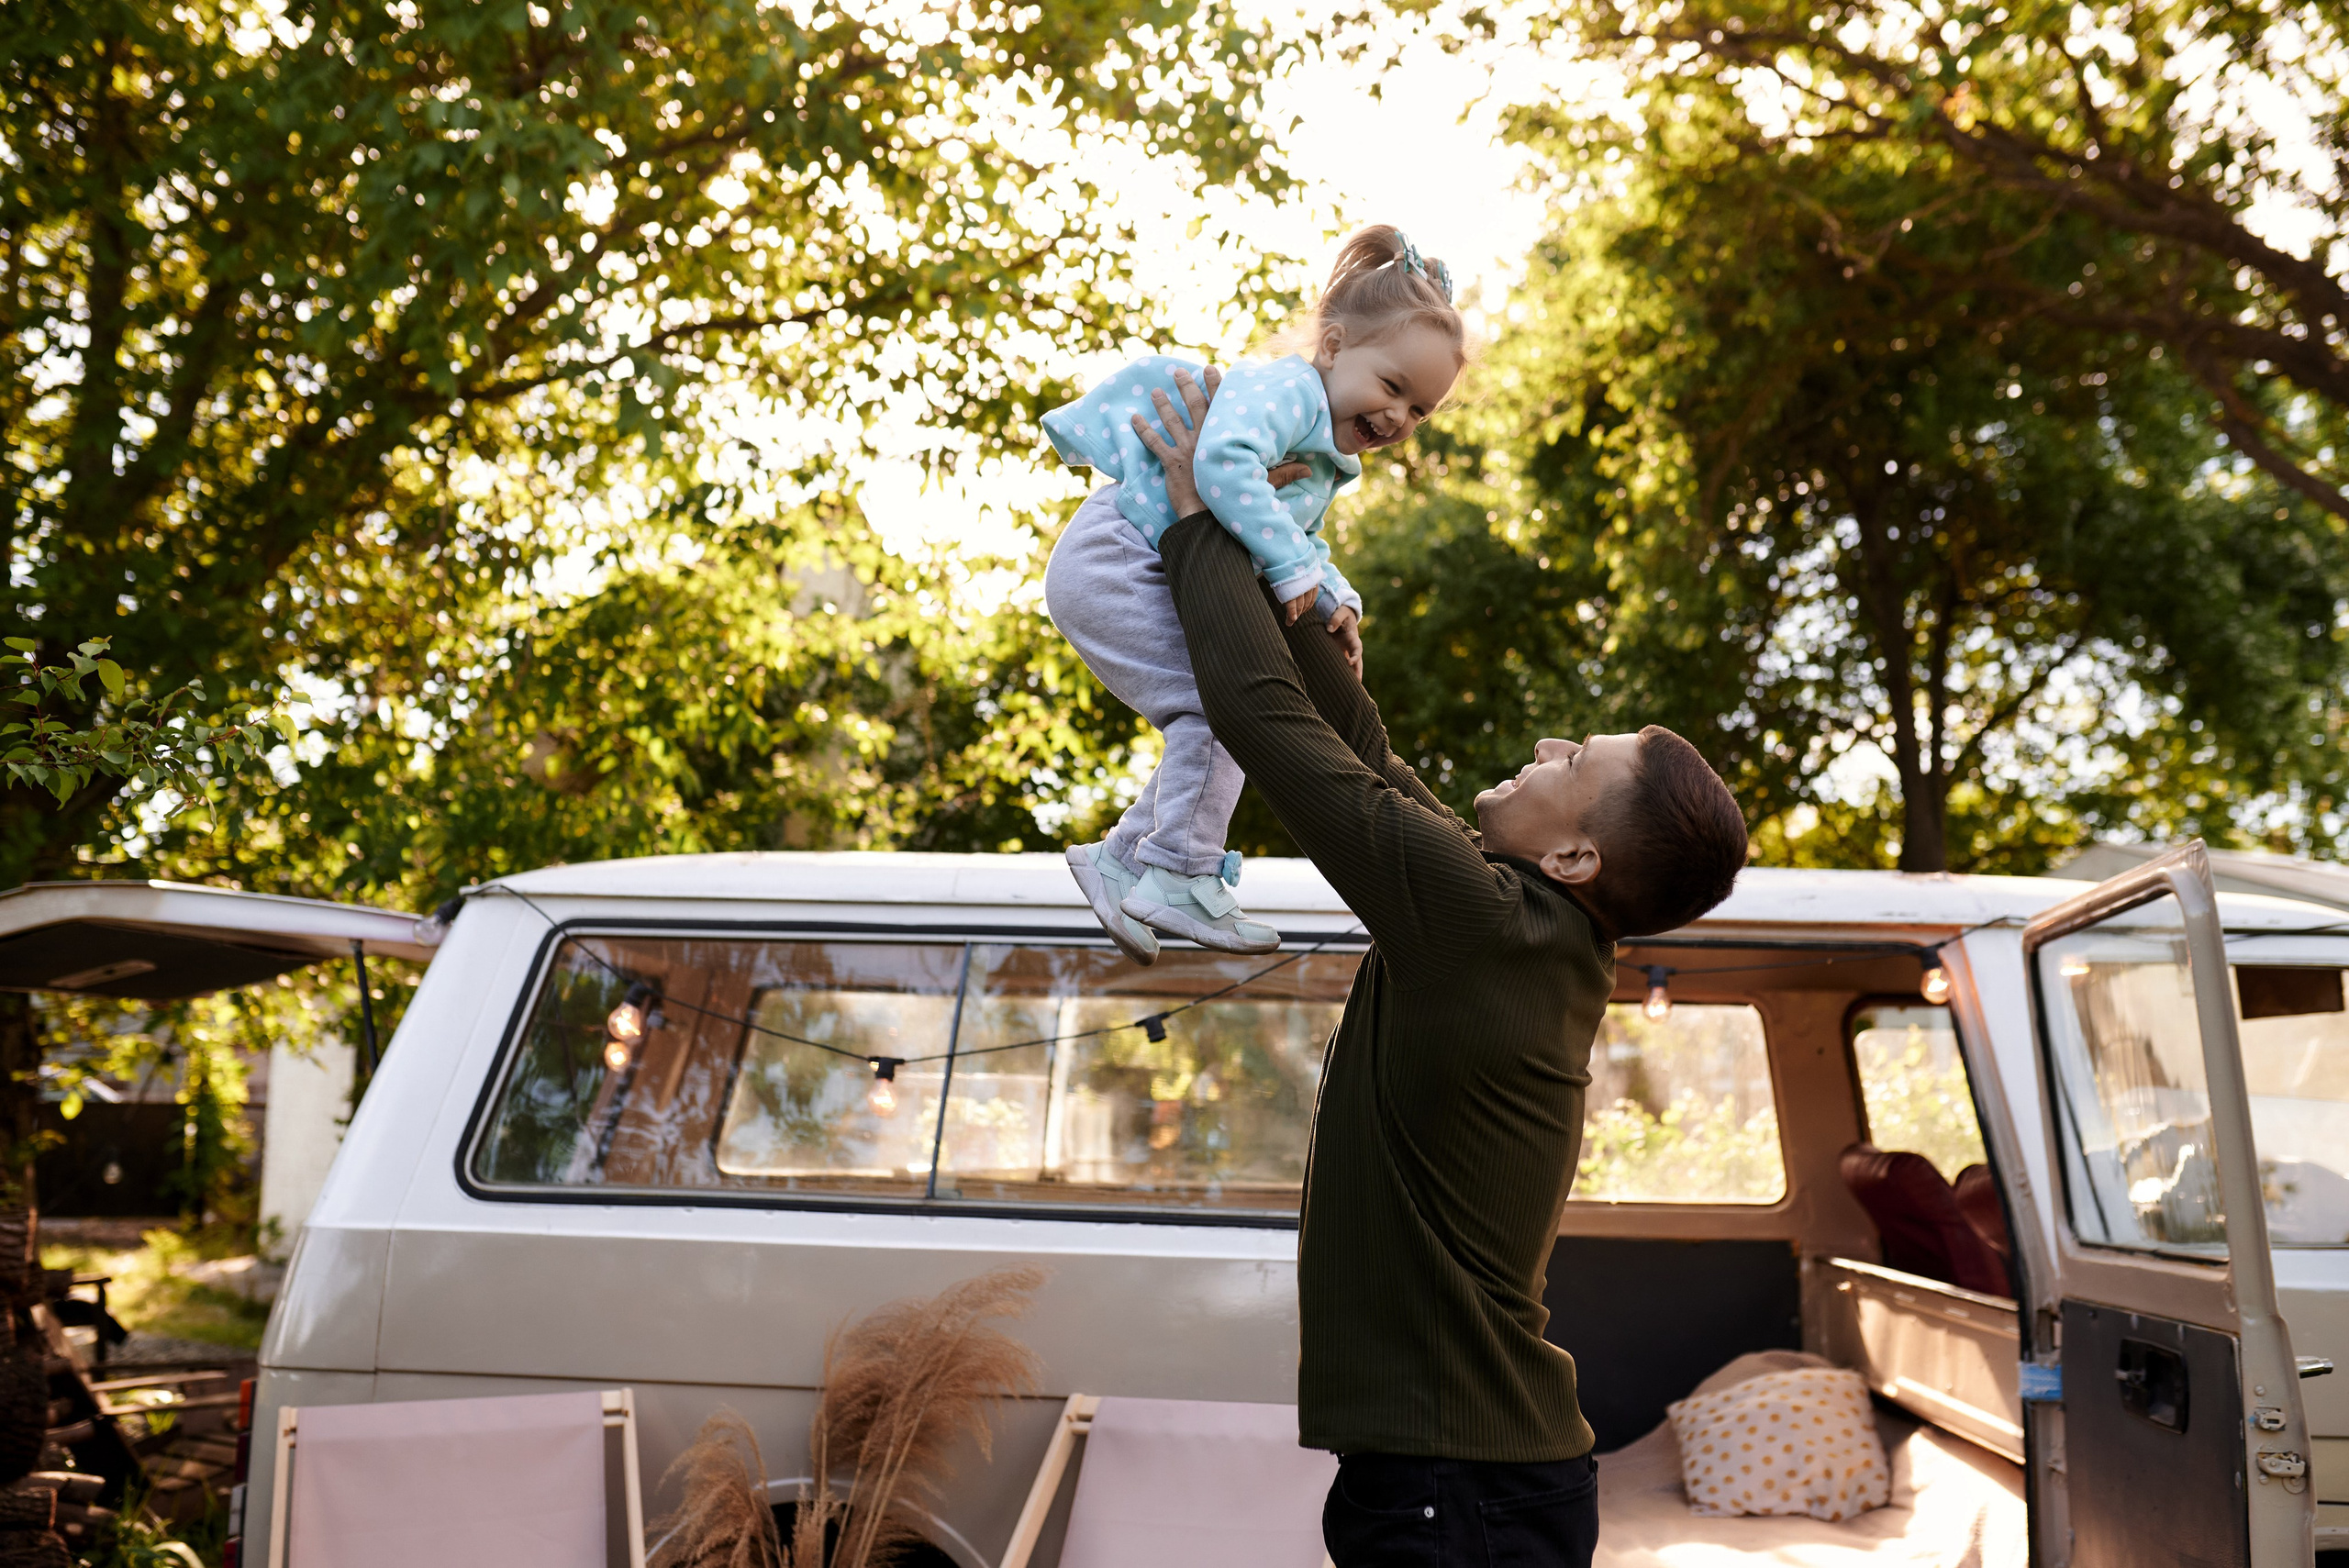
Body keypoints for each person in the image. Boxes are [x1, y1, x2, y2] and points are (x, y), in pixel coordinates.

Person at [1126, 370, 1749, 1568]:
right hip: (1471, 1481)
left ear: (1575, 852)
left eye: (1580, 757)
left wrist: (1198, 511)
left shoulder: (1484, 925)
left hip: (1458, 1491)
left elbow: (1273, 736)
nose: (1553, 742)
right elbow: (1357, 750)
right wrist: (1301, 603)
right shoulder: (1516, 921)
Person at [1040, 225, 1466, 963]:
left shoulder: (1321, 444)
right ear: (1332, 346)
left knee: (1213, 710)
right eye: (1393, 387)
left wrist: (1336, 598)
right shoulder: (1286, 389)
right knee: (1219, 707)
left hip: (1142, 562)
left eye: (1420, 410)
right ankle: (1179, 870)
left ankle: (1123, 861)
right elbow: (1222, 464)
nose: (1399, 417)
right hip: (1114, 558)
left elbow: (1295, 535)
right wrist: (1295, 574)